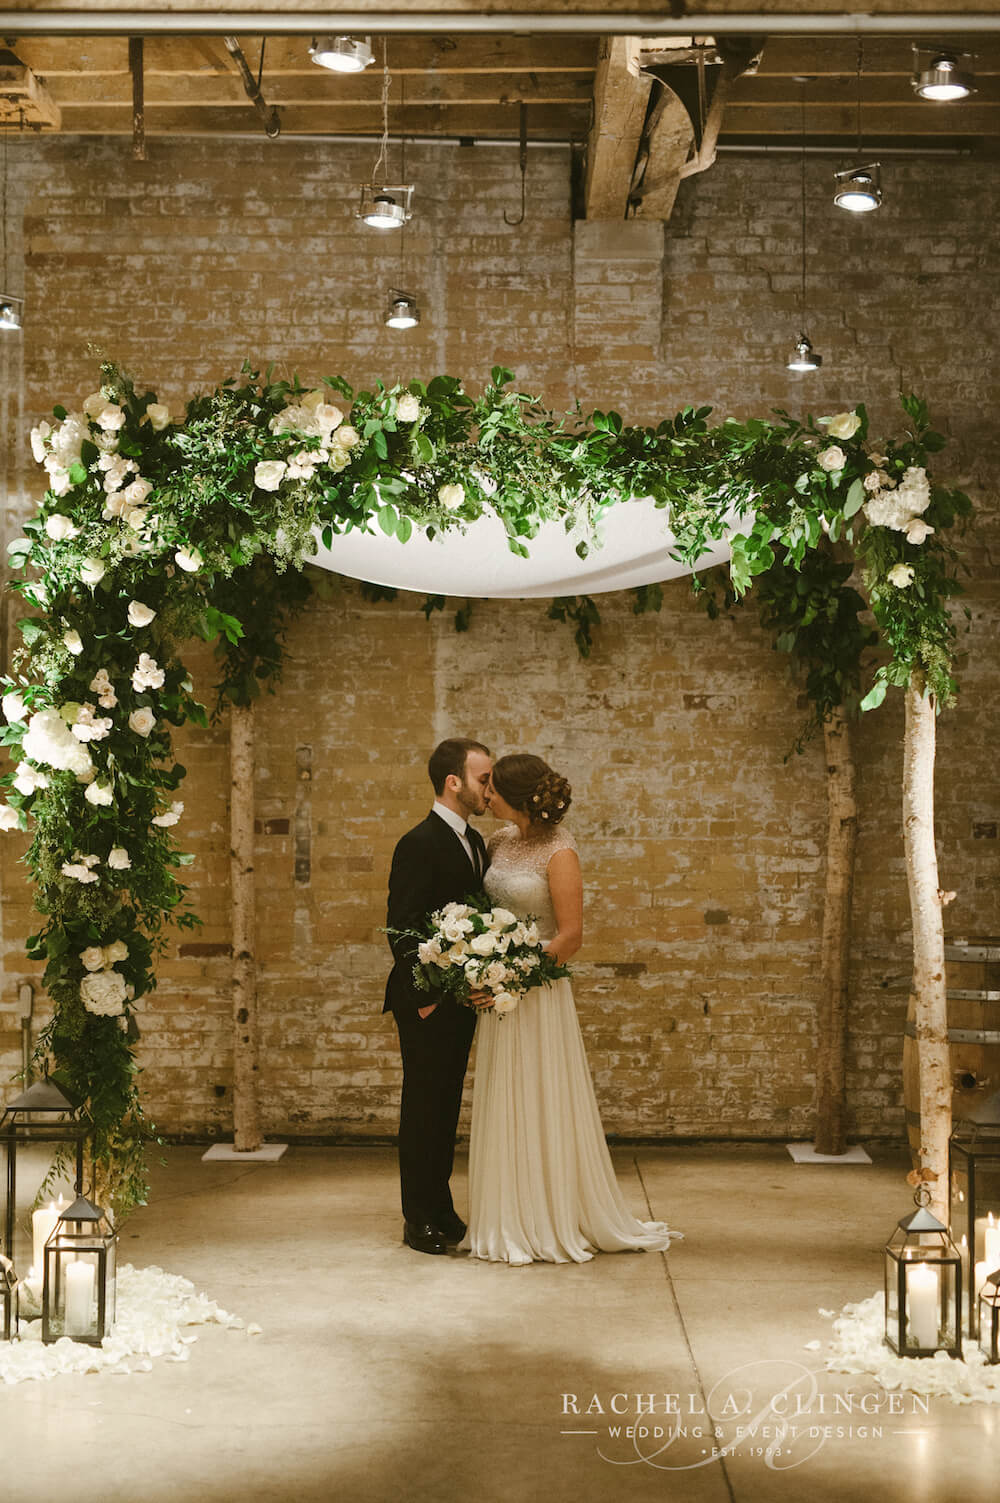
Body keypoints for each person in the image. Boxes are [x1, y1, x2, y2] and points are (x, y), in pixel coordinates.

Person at [459, 753, 683, 1264]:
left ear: (513, 795)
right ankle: (508, 1213)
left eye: (492, 786)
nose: (484, 794)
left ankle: (551, 1215)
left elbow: (571, 936)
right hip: (499, 991)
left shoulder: (560, 852)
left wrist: (512, 977)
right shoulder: (496, 843)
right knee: (504, 1093)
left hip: (537, 991)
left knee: (541, 1092)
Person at [384, 737, 494, 1256]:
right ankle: (418, 1218)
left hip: (461, 999)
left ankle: (442, 1206)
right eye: (483, 779)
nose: (489, 788)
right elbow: (402, 927)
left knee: (446, 1106)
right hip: (425, 1001)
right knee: (423, 1108)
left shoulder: (475, 842)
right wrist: (426, 996)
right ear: (455, 781)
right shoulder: (418, 842)